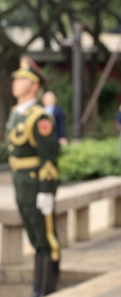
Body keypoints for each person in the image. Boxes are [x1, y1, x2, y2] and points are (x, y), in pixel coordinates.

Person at [6, 56, 60, 296]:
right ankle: (37, 288)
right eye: (16, 78)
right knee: (34, 238)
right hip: (21, 183)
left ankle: (46, 289)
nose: (15, 82)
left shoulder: (40, 118)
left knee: (46, 239)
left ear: (34, 85)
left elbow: (49, 157)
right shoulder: (16, 113)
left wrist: (47, 190)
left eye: (22, 79)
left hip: (37, 183)